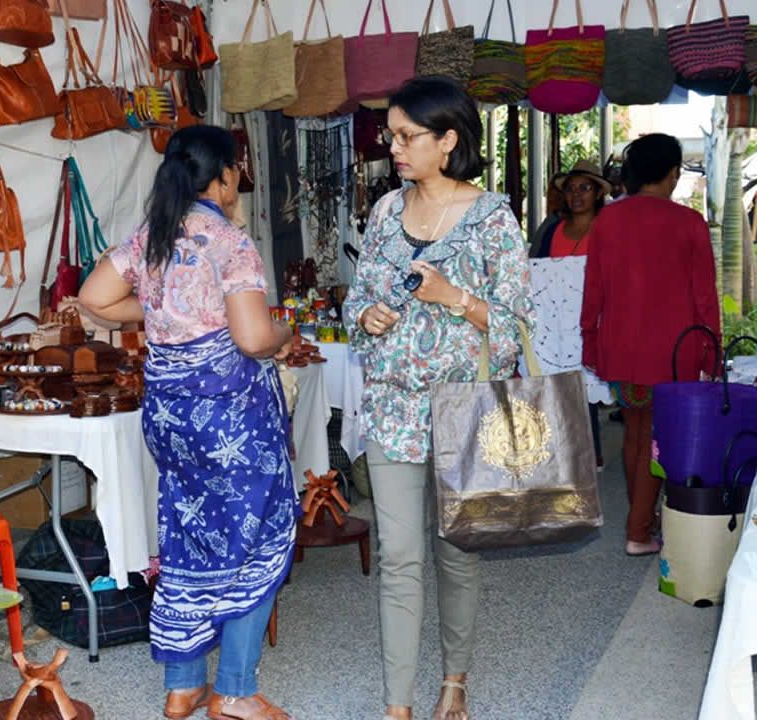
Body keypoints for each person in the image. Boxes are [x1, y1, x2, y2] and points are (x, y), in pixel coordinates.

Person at [78, 126, 298, 720]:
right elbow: (252, 337)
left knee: (186, 536)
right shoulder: (230, 242)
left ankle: (181, 686)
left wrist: (155, 311)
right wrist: (284, 334)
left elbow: (92, 298)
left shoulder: (153, 235)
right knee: (254, 538)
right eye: (236, 173)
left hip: (171, 417)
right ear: (223, 176)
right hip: (230, 421)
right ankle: (234, 691)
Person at [343, 76, 533, 720]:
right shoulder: (382, 213)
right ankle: (397, 705)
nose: (392, 147)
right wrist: (366, 316)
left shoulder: (493, 218)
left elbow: (514, 326)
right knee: (399, 556)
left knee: (458, 553)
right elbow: (355, 298)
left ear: (448, 140)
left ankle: (455, 678)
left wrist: (453, 297)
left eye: (405, 136)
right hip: (393, 406)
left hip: (467, 412)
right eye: (390, 135)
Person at [580, 133, 720, 557]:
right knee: (657, 439)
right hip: (675, 352)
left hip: (621, 348)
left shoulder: (607, 220)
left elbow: (594, 290)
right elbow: (704, 297)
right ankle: (639, 529)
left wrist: (590, 340)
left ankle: (643, 520)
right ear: (673, 172)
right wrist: (712, 352)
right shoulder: (689, 222)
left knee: (637, 433)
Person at [531, 159, 611, 470]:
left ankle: (590, 450)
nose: (576, 195)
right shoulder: (551, 228)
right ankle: (555, 450)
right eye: (571, 189)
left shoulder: (606, 228)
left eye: (585, 189)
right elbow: (534, 268)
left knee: (585, 381)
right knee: (554, 382)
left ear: (598, 193)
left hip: (593, 316)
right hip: (553, 320)